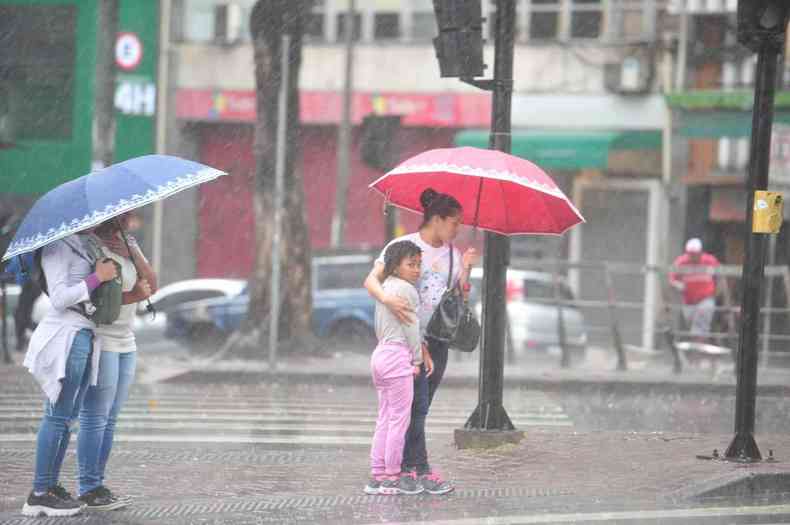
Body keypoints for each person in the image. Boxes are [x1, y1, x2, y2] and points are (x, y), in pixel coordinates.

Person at [364, 188, 477, 495]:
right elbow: (371, 280)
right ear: (437, 219)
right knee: (410, 409)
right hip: (408, 343)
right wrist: (388, 299)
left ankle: (403, 468)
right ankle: (414, 469)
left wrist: (466, 269)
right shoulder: (404, 248)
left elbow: (458, 296)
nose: (458, 229)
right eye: (455, 222)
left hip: (437, 341)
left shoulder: (453, 255)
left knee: (418, 408)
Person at [21, 235, 119, 518]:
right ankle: (39, 493)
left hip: (84, 334)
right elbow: (60, 297)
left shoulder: (83, 242)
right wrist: (96, 278)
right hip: (66, 334)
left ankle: (50, 487)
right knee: (57, 415)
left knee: (67, 417)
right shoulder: (57, 245)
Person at [77, 212, 156, 510]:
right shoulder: (91, 246)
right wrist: (133, 294)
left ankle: (98, 483)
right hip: (103, 339)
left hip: (127, 341)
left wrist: (133, 249)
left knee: (110, 419)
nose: (131, 220)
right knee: (95, 418)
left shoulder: (128, 243)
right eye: (126, 216)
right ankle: (88, 486)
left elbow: (152, 283)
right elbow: (96, 299)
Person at [364, 240, 432, 496]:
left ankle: (377, 474)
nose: (416, 270)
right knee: (398, 420)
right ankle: (392, 477)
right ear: (394, 266)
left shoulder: (386, 287)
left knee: (384, 417)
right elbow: (411, 328)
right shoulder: (407, 290)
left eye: (418, 264)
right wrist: (416, 361)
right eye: (410, 264)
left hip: (380, 354)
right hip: (398, 356)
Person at [669, 238, 720, 343]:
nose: (692, 256)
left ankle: (699, 350)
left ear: (700, 252)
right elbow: (672, 279)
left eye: (695, 254)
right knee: (692, 327)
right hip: (689, 301)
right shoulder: (681, 262)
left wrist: (716, 293)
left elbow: (720, 275)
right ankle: (698, 348)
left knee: (700, 327)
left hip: (706, 299)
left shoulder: (710, 260)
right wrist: (678, 285)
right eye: (690, 254)